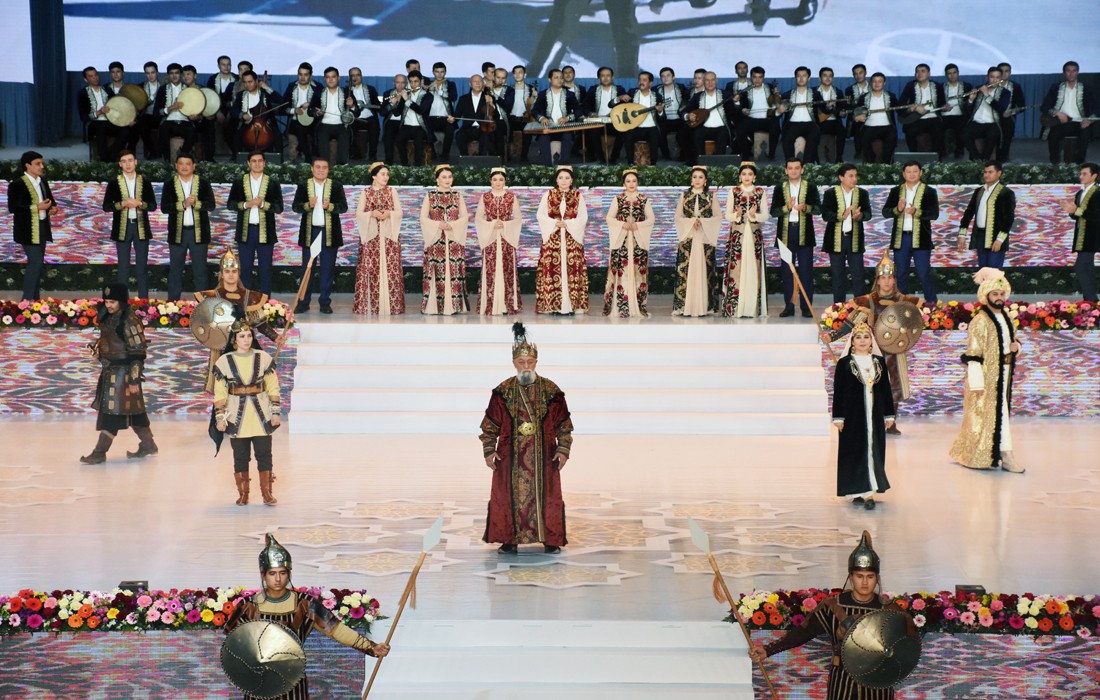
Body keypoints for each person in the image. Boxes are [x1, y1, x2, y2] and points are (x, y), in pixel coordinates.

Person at [225, 534, 390, 698]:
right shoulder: (247, 607)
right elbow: (234, 645)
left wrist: (370, 647)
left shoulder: (305, 604)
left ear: (289, 573)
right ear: (263, 575)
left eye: (282, 573)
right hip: (258, 684)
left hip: (292, 682)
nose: (278, 579)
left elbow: (336, 630)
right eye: (272, 573)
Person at [750, 531, 906, 699]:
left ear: (877, 578)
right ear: (851, 577)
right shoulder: (833, 606)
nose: (865, 582)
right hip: (843, 683)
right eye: (859, 576)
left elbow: (904, 646)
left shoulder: (889, 609)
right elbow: (802, 632)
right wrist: (768, 650)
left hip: (879, 684)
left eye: (870, 576)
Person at [479, 324, 573, 555]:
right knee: (507, 497)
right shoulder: (503, 391)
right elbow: (490, 424)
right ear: (514, 363)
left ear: (536, 362)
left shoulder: (550, 390)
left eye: (530, 361)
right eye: (521, 362)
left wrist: (563, 450)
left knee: (547, 497)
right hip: (509, 456)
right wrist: (489, 450)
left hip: (544, 456)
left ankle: (550, 539)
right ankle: (508, 539)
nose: (526, 366)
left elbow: (564, 424)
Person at [831, 255, 919, 435]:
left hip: (895, 352)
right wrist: (832, 336)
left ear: (894, 280)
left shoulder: (903, 301)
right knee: (872, 386)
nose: (886, 282)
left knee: (894, 387)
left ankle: (891, 423)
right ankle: (873, 423)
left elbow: (912, 325)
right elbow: (852, 322)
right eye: (883, 278)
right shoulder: (869, 300)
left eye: (889, 277)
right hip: (873, 351)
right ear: (877, 280)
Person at [948, 268, 1025, 473]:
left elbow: (1012, 341)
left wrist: (1017, 347)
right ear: (986, 295)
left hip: (1004, 373)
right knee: (993, 416)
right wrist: (977, 384)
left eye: (1002, 294)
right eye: (995, 294)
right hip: (986, 377)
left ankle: (994, 452)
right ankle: (1006, 456)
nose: (999, 298)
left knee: (999, 414)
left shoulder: (1007, 317)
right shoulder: (980, 321)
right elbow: (973, 355)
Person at [80, 283, 158, 464]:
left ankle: (99, 452)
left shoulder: (130, 320)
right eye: (106, 301)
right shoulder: (109, 318)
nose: (108, 305)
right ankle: (148, 445)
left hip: (124, 375)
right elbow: (110, 344)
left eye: (112, 302)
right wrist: (99, 355)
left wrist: (134, 379)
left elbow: (138, 352)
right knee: (133, 412)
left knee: (112, 413)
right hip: (110, 372)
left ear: (121, 301)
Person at [195, 248, 284, 394]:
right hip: (221, 349)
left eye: (234, 271)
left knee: (249, 386)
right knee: (223, 389)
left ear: (238, 273)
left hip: (246, 346)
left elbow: (260, 323)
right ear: (221, 273)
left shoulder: (249, 296)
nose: (231, 274)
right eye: (227, 271)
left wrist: (275, 337)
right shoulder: (212, 297)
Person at [213, 320, 281, 506]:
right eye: (242, 336)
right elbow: (220, 392)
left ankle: (267, 494)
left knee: (264, 455)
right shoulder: (224, 362)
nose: (246, 339)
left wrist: (275, 412)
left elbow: (273, 387)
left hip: (261, 416)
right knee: (240, 457)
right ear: (234, 339)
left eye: (249, 335)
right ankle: (243, 494)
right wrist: (220, 417)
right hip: (236, 416)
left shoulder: (263, 357)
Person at [831, 323, 894, 508]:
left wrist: (889, 414)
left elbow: (886, 389)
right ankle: (856, 489)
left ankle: (869, 493)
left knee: (873, 450)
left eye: (866, 337)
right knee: (854, 451)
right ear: (852, 341)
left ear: (871, 341)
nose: (862, 341)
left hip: (874, 414)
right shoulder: (844, 363)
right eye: (858, 337)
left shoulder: (878, 362)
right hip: (853, 416)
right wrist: (838, 417)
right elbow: (839, 391)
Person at [292, 157, 348, 314]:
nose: (321, 170)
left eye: (324, 167)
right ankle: (303, 302)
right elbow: (295, 207)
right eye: (318, 167)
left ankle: (324, 302)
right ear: (312, 169)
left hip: (329, 233)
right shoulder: (304, 185)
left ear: (328, 169)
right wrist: (307, 205)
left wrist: (330, 206)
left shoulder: (336, 186)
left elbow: (343, 207)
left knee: (327, 269)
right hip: (310, 233)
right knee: (307, 269)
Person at [227, 151, 284, 297]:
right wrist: (247, 204)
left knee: (265, 269)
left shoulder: (272, 182)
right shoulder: (240, 181)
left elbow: (279, 208)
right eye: (254, 161)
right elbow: (230, 204)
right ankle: (246, 301)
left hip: (265, 232)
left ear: (264, 163)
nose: (257, 164)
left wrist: (262, 204)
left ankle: (265, 302)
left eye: (260, 161)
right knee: (245, 268)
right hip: (245, 232)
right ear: (248, 163)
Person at [102, 150, 157, 299]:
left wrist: (140, 203)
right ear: (120, 164)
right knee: (123, 268)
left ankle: (144, 301)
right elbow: (106, 206)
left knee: (142, 268)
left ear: (136, 162)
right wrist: (122, 204)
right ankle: (122, 301)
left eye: (130, 160)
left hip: (141, 228)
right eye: (124, 161)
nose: (128, 164)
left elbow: (153, 206)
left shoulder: (145, 182)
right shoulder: (114, 183)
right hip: (122, 228)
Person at [535, 165, 589, 314]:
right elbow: (540, 215)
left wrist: (569, 224)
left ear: (571, 180)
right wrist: (554, 223)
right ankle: (553, 306)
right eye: (561, 178)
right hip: (553, 238)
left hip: (572, 239)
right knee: (552, 270)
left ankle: (572, 306)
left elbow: (583, 217)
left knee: (573, 271)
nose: (564, 181)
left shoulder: (578, 196)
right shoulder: (548, 195)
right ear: (556, 180)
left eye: (567, 178)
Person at [883, 160, 940, 303]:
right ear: (903, 174)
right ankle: (900, 306)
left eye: (915, 171)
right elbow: (885, 212)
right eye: (908, 172)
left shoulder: (929, 191)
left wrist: (916, 212)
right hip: (901, 239)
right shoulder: (896, 191)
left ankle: (932, 305)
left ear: (921, 173)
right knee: (900, 274)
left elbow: (934, 214)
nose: (912, 174)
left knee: (924, 273)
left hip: (921, 239)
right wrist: (898, 209)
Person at [353, 162, 405, 316]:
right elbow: (359, 214)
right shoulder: (366, 192)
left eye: (387, 174)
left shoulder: (392, 191)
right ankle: (370, 305)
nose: (386, 177)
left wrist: (389, 213)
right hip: (371, 238)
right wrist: (371, 214)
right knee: (371, 268)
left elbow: (399, 212)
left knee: (391, 268)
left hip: (389, 238)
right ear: (374, 176)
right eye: (383, 174)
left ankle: (392, 306)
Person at [162, 152, 215, 300]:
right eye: (181, 164)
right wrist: (183, 204)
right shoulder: (169, 184)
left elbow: (211, 205)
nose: (184, 167)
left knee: (200, 270)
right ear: (176, 166)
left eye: (188, 164)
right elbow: (165, 208)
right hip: (177, 233)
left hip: (199, 233)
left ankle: (202, 304)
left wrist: (196, 203)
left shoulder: (203, 183)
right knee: (175, 270)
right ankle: (172, 304)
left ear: (193, 166)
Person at [8, 151, 60, 301]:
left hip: (42, 227)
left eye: (42, 163)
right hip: (27, 230)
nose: (41, 166)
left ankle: (35, 301)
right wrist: (36, 207)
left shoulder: (42, 182)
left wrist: (52, 209)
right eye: (38, 164)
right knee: (35, 263)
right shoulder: (17, 184)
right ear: (27, 165)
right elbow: (14, 208)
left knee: (38, 265)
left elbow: (51, 201)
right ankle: (26, 301)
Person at [771, 158, 819, 318]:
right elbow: (774, 211)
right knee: (787, 272)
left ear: (802, 170)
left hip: (805, 233)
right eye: (790, 168)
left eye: (797, 168)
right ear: (786, 170)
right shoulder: (780, 188)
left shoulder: (810, 187)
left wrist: (805, 207)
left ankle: (806, 306)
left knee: (806, 271)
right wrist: (787, 207)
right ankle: (789, 306)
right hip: (786, 234)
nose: (793, 171)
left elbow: (818, 209)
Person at [603, 169, 654, 317]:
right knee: (621, 270)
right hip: (622, 240)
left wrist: (638, 225)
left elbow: (651, 219)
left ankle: (637, 305)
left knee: (638, 271)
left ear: (638, 183)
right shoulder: (618, 199)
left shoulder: (644, 199)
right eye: (628, 181)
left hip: (638, 240)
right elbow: (609, 218)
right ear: (624, 183)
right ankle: (620, 306)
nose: (631, 184)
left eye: (634, 181)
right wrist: (622, 224)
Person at [420, 164, 470, 315]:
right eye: (444, 177)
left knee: (454, 270)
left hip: (454, 238)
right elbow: (423, 218)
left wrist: (452, 225)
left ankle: (455, 305)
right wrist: (438, 224)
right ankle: (435, 306)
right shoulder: (430, 196)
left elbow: (465, 217)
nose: (447, 180)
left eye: (449, 177)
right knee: (437, 270)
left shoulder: (457, 195)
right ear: (437, 179)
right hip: (436, 239)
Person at [720, 163, 769, 318]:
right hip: (738, 235)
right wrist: (737, 214)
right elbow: (727, 215)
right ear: (740, 176)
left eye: (750, 174)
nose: (747, 177)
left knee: (753, 269)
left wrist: (754, 216)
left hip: (754, 236)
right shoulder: (733, 191)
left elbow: (765, 216)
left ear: (754, 177)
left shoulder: (760, 192)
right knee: (737, 269)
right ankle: (736, 308)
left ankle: (752, 308)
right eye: (744, 174)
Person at [821, 164, 873, 303]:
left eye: (855, 176)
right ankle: (839, 309)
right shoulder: (830, 193)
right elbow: (825, 215)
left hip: (854, 239)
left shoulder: (862, 193)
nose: (854, 179)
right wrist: (842, 216)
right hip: (836, 240)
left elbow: (868, 214)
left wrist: (860, 216)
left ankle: (860, 308)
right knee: (838, 277)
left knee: (858, 276)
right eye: (850, 176)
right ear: (841, 177)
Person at [672, 165, 720, 316]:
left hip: (705, 237)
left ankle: (705, 306)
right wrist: (692, 221)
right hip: (689, 237)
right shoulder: (684, 196)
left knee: (705, 271)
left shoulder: (711, 196)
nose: (697, 180)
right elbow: (678, 217)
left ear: (705, 180)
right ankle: (685, 306)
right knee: (687, 271)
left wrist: (702, 222)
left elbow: (718, 217)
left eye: (700, 177)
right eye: (694, 177)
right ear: (691, 180)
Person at [475, 167, 523, 316]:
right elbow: (478, 219)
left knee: (507, 269)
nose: (498, 182)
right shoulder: (485, 197)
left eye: (501, 179)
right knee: (490, 270)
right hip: (490, 238)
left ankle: (507, 304)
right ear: (490, 181)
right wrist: (491, 225)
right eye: (495, 179)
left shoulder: (511, 197)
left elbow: (518, 218)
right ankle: (490, 304)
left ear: (505, 181)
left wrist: (505, 224)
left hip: (506, 237)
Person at [957, 161, 1016, 269]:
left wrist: (1000, 239)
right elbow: (969, 213)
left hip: (996, 237)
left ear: (999, 173)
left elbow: (1009, 218)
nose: (987, 175)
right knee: (983, 270)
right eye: (985, 172)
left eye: (990, 172)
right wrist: (962, 234)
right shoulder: (979, 191)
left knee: (993, 272)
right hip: (980, 235)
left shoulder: (1006, 193)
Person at [1040, 60, 1095, 164]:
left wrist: (1089, 120)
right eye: (1068, 71)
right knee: (1053, 136)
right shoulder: (1056, 87)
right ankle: (1055, 164)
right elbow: (1044, 107)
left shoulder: (1086, 88)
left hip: (1080, 122)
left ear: (1078, 72)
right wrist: (1057, 113)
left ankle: (1079, 165)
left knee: (1084, 136)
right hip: (1062, 122)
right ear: (1064, 72)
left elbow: (1095, 107)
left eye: (1074, 71)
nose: (1071, 73)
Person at [1060, 162, 1099, 302]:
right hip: (1081, 237)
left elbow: (1096, 215)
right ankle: (1091, 300)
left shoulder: (1098, 193)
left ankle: (1090, 300)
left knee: (1081, 266)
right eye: (1080, 173)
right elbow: (1077, 216)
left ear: (1094, 176)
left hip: (1092, 236)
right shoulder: (1080, 193)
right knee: (1087, 268)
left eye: (1084, 174)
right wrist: (1070, 210)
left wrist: (1076, 210)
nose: (1081, 176)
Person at [530, 69, 583, 167]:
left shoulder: (569, 94)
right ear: (550, 80)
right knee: (543, 137)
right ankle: (548, 167)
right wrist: (542, 118)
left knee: (567, 136)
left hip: (564, 128)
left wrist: (567, 118)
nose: (559, 80)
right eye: (556, 78)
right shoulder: (542, 94)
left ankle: (564, 166)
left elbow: (579, 110)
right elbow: (534, 111)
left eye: (561, 78)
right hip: (548, 128)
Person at [309, 66, 357, 165]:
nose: (330, 80)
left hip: (342, 125)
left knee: (344, 139)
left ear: (338, 78)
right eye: (327, 77)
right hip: (324, 125)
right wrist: (317, 113)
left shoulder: (347, 92)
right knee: (322, 145)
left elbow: (357, 112)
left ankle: (341, 167)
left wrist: (352, 106)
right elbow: (310, 111)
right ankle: (324, 166)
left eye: (333, 77)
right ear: (324, 79)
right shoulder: (319, 93)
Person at [962, 66, 1010, 162]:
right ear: (987, 78)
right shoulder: (978, 88)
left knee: (992, 136)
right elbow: (967, 110)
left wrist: (987, 95)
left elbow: (1001, 109)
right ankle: (977, 158)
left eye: (997, 77)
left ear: (1001, 79)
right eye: (992, 77)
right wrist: (971, 100)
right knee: (964, 135)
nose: (994, 80)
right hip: (976, 122)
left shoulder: (1005, 93)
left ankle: (985, 160)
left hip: (993, 123)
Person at [78, 66, 127, 162]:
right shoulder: (83, 93)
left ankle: (112, 156)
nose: (95, 78)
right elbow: (83, 117)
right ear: (85, 79)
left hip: (110, 121)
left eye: (96, 75)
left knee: (125, 130)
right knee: (101, 126)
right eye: (91, 76)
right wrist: (99, 112)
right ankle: (104, 160)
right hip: (94, 123)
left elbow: (116, 106)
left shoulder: (107, 90)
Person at [230, 70, 283, 157]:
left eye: (250, 82)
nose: (247, 85)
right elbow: (233, 110)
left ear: (256, 81)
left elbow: (281, 100)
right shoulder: (241, 95)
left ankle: (280, 160)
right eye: (245, 82)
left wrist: (267, 88)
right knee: (237, 136)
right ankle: (236, 159)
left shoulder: (265, 93)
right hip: (248, 124)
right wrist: (242, 115)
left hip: (266, 123)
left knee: (277, 135)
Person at [899, 63, 945, 157]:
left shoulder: (937, 86)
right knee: (909, 131)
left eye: (923, 71)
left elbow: (942, 103)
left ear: (929, 74)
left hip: (933, 117)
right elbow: (901, 103)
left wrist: (945, 106)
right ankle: (914, 157)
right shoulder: (910, 85)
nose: (919, 74)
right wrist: (914, 107)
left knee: (939, 132)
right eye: (917, 72)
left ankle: (937, 160)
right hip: (915, 118)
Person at [154, 63, 198, 161]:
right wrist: (171, 108)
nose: (174, 76)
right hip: (168, 121)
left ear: (181, 75)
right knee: (163, 130)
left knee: (192, 132)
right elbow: (156, 111)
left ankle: (182, 157)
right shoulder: (163, 89)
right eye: (171, 73)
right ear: (168, 75)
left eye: (177, 73)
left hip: (185, 121)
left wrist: (195, 116)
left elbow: (195, 108)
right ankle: (167, 161)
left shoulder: (188, 89)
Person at [733, 67, 779, 160]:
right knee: (740, 128)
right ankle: (745, 156)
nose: (757, 80)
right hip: (751, 120)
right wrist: (741, 108)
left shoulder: (771, 88)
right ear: (751, 78)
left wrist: (777, 97)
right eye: (755, 77)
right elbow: (739, 107)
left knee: (775, 126)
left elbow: (776, 104)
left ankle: (771, 155)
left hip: (767, 119)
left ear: (763, 78)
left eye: (760, 77)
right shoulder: (745, 91)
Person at [853, 72, 899, 164]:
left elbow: (900, 110)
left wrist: (911, 108)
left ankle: (886, 165)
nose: (877, 84)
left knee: (892, 138)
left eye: (880, 81)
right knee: (864, 140)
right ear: (871, 83)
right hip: (869, 127)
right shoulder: (863, 97)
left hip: (887, 127)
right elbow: (856, 113)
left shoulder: (891, 96)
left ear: (884, 83)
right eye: (874, 81)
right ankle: (871, 165)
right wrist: (857, 117)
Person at [777, 66, 820, 163]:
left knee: (813, 136)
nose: (801, 78)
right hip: (792, 124)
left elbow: (824, 109)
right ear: (795, 78)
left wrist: (829, 107)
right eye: (798, 76)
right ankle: (790, 164)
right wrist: (779, 111)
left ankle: (807, 165)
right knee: (787, 138)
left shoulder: (816, 94)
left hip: (810, 124)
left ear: (808, 78)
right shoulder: (787, 95)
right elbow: (778, 114)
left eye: (804, 76)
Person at [394, 70, 435, 166]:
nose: (413, 84)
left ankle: (417, 167)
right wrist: (394, 103)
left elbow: (421, 110)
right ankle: (404, 164)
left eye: (416, 81)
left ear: (421, 81)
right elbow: (397, 113)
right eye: (411, 82)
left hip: (420, 126)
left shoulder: (428, 96)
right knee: (399, 140)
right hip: (406, 126)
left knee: (418, 142)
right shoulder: (406, 94)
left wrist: (407, 100)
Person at [687, 71, 732, 156]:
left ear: (716, 81)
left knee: (723, 134)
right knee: (696, 134)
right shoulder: (697, 96)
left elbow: (733, 112)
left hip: (721, 128)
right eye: (707, 80)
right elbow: (685, 111)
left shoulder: (726, 95)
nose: (710, 83)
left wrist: (736, 103)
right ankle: (700, 162)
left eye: (712, 80)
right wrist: (688, 115)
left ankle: (718, 163)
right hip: (703, 128)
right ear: (704, 82)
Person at [282, 62, 320, 163]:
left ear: (311, 75)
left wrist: (311, 106)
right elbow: (283, 106)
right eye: (300, 74)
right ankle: (308, 159)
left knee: (306, 130)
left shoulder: (317, 87)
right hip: (295, 120)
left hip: (312, 121)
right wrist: (294, 110)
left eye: (306, 75)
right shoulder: (292, 87)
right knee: (300, 128)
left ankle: (304, 153)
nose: (302, 77)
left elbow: (321, 104)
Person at [623, 71, 662, 165]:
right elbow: (622, 108)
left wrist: (660, 111)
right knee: (627, 136)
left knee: (655, 138)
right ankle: (630, 164)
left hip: (651, 127)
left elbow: (662, 116)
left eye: (644, 80)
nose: (641, 82)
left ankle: (653, 164)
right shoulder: (632, 93)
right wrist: (622, 98)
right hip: (635, 127)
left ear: (650, 83)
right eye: (640, 80)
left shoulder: (657, 96)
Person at [655, 67, 691, 164]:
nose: (665, 78)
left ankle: (683, 156)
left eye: (668, 75)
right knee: (659, 133)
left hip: (680, 119)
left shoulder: (681, 88)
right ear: (660, 79)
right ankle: (666, 157)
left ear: (673, 77)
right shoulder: (656, 90)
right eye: (663, 76)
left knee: (685, 132)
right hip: (665, 120)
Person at [347, 66, 382, 161]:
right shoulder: (347, 91)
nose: (355, 77)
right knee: (349, 130)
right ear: (350, 78)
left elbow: (377, 105)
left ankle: (372, 155)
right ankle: (356, 155)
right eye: (353, 75)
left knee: (375, 128)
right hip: (354, 118)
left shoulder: (370, 89)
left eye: (357, 75)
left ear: (361, 76)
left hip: (369, 117)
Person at [425, 61, 458, 160]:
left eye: (442, 72)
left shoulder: (450, 84)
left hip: (445, 117)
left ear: (445, 72)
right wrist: (425, 90)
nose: (439, 74)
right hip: (431, 117)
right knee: (423, 126)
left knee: (450, 129)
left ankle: (445, 155)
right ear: (433, 72)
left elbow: (453, 97)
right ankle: (433, 154)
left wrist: (439, 91)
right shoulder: (428, 85)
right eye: (437, 72)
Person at [814, 67, 846, 163]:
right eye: (825, 76)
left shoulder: (838, 92)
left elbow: (842, 109)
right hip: (818, 122)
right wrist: (826, 107)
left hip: (834, 121)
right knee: (812, 130)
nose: (827, 78)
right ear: (820, 78)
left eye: (830, 76)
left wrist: (842, 113)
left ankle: (839, 157)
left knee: (842, 131)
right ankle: (815, 159)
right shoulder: (813, 91)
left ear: (833, 78)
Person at [940, 64, 972, 159]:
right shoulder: (941, 87)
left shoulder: (967, 86)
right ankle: (942, 154)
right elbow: (937, 103)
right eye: (949, 73)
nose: (952, 75)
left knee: (961, 129)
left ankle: (959, 153)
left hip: (960, 114)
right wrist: (942, 107)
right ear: (946, 75)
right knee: (938, 129)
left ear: (958, 73)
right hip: (944, 115)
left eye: (954, 73)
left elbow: (970, 104)